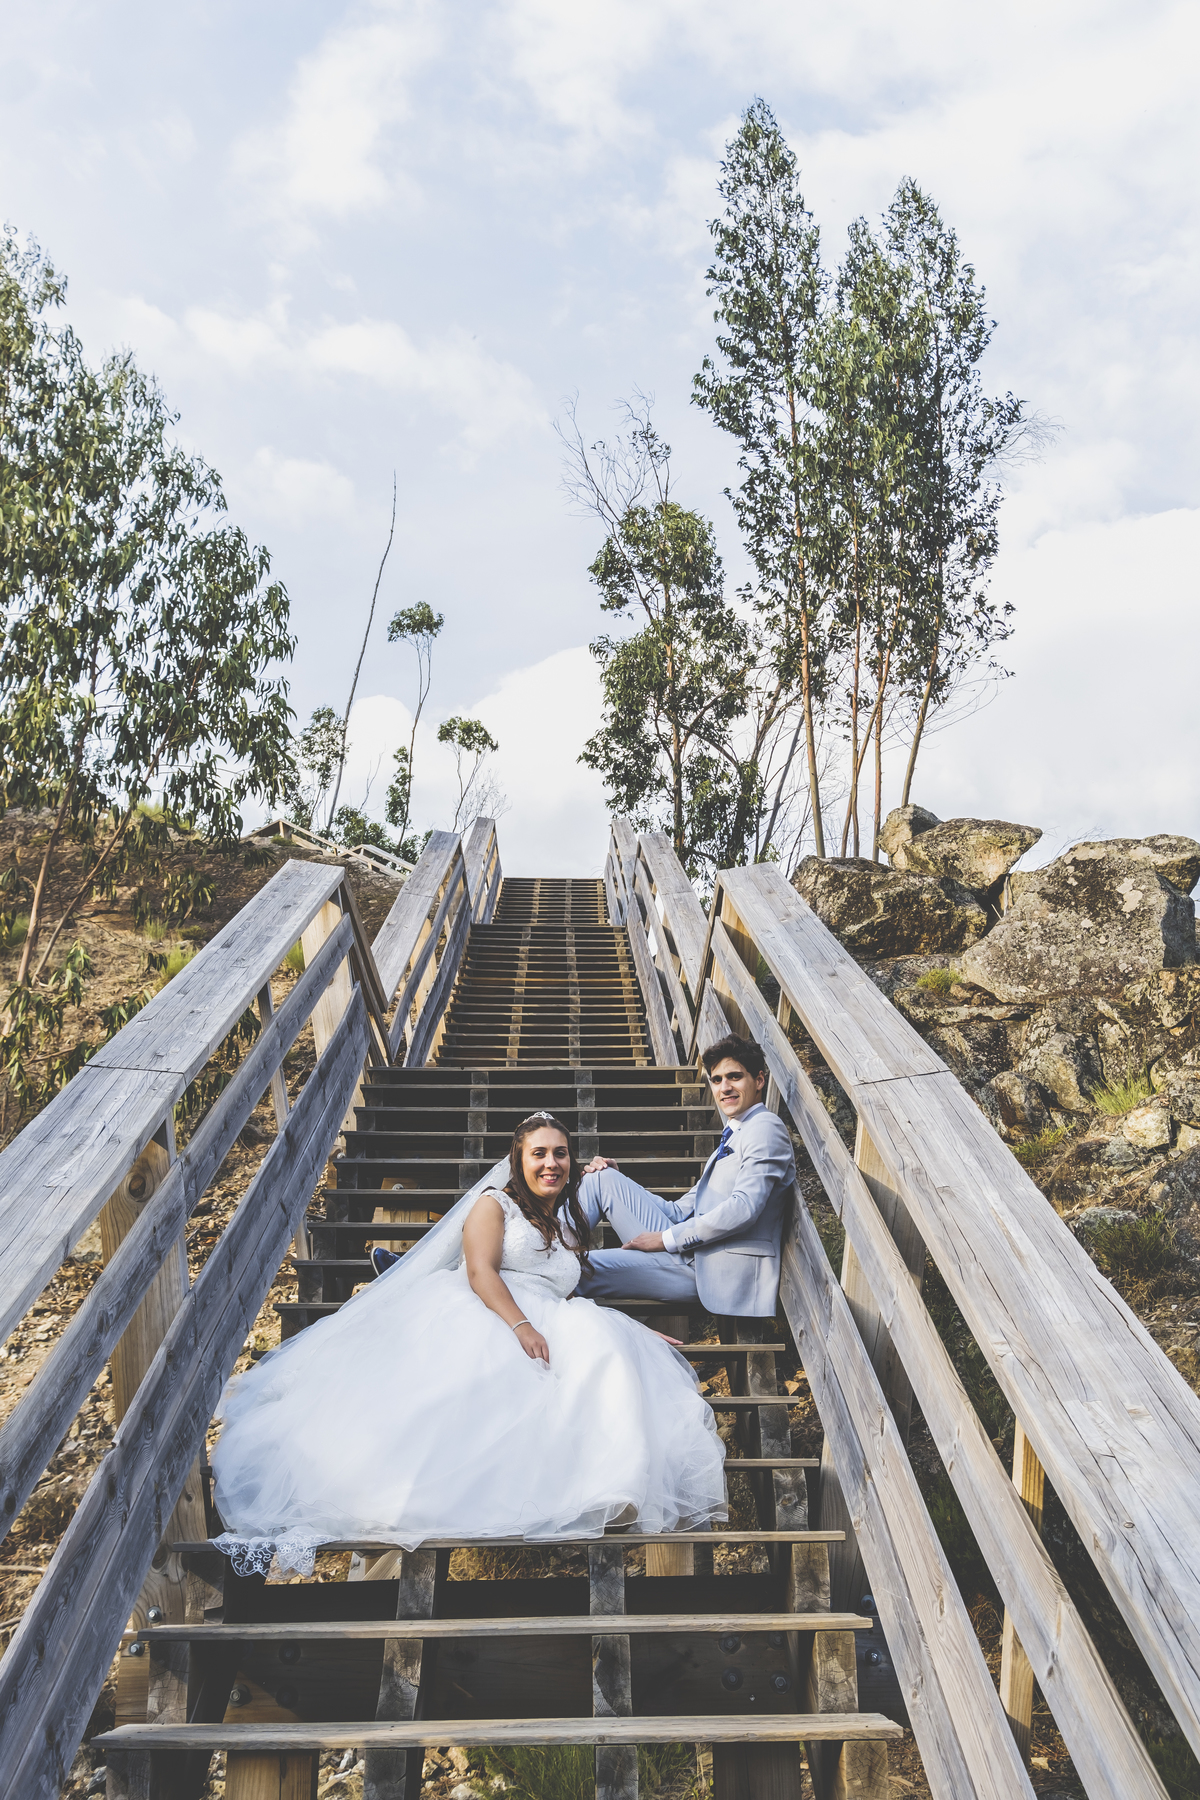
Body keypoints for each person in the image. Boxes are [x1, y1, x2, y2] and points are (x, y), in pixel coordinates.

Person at [210, 1112, 727, 1576]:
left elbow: (569, 1287)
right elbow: (480, 1273)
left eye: (560, 1153)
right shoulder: (493, 1204)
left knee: (606, 1359)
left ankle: (611, 1485)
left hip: (553, 1313)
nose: (552, 1163)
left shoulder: (567, 1226)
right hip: (492, 1309)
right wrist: (521, 1326)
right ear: (518, 1160)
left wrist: (633, 1329)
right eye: (539, 1153)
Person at [575, 1033, 795, 1319]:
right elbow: (678, 1211)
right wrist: (623, 1184)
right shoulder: (734, 1134)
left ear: (759, 1080)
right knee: (601, 1177)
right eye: (716, 1080)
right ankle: (542, 1246)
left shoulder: (765, 1128)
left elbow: (745, 1208)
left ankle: (537, 1266)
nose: (724, 1088)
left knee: (575, 1269)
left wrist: (665, 1239)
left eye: (734, 1077)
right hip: (692, 1254)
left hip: (710, 1272)